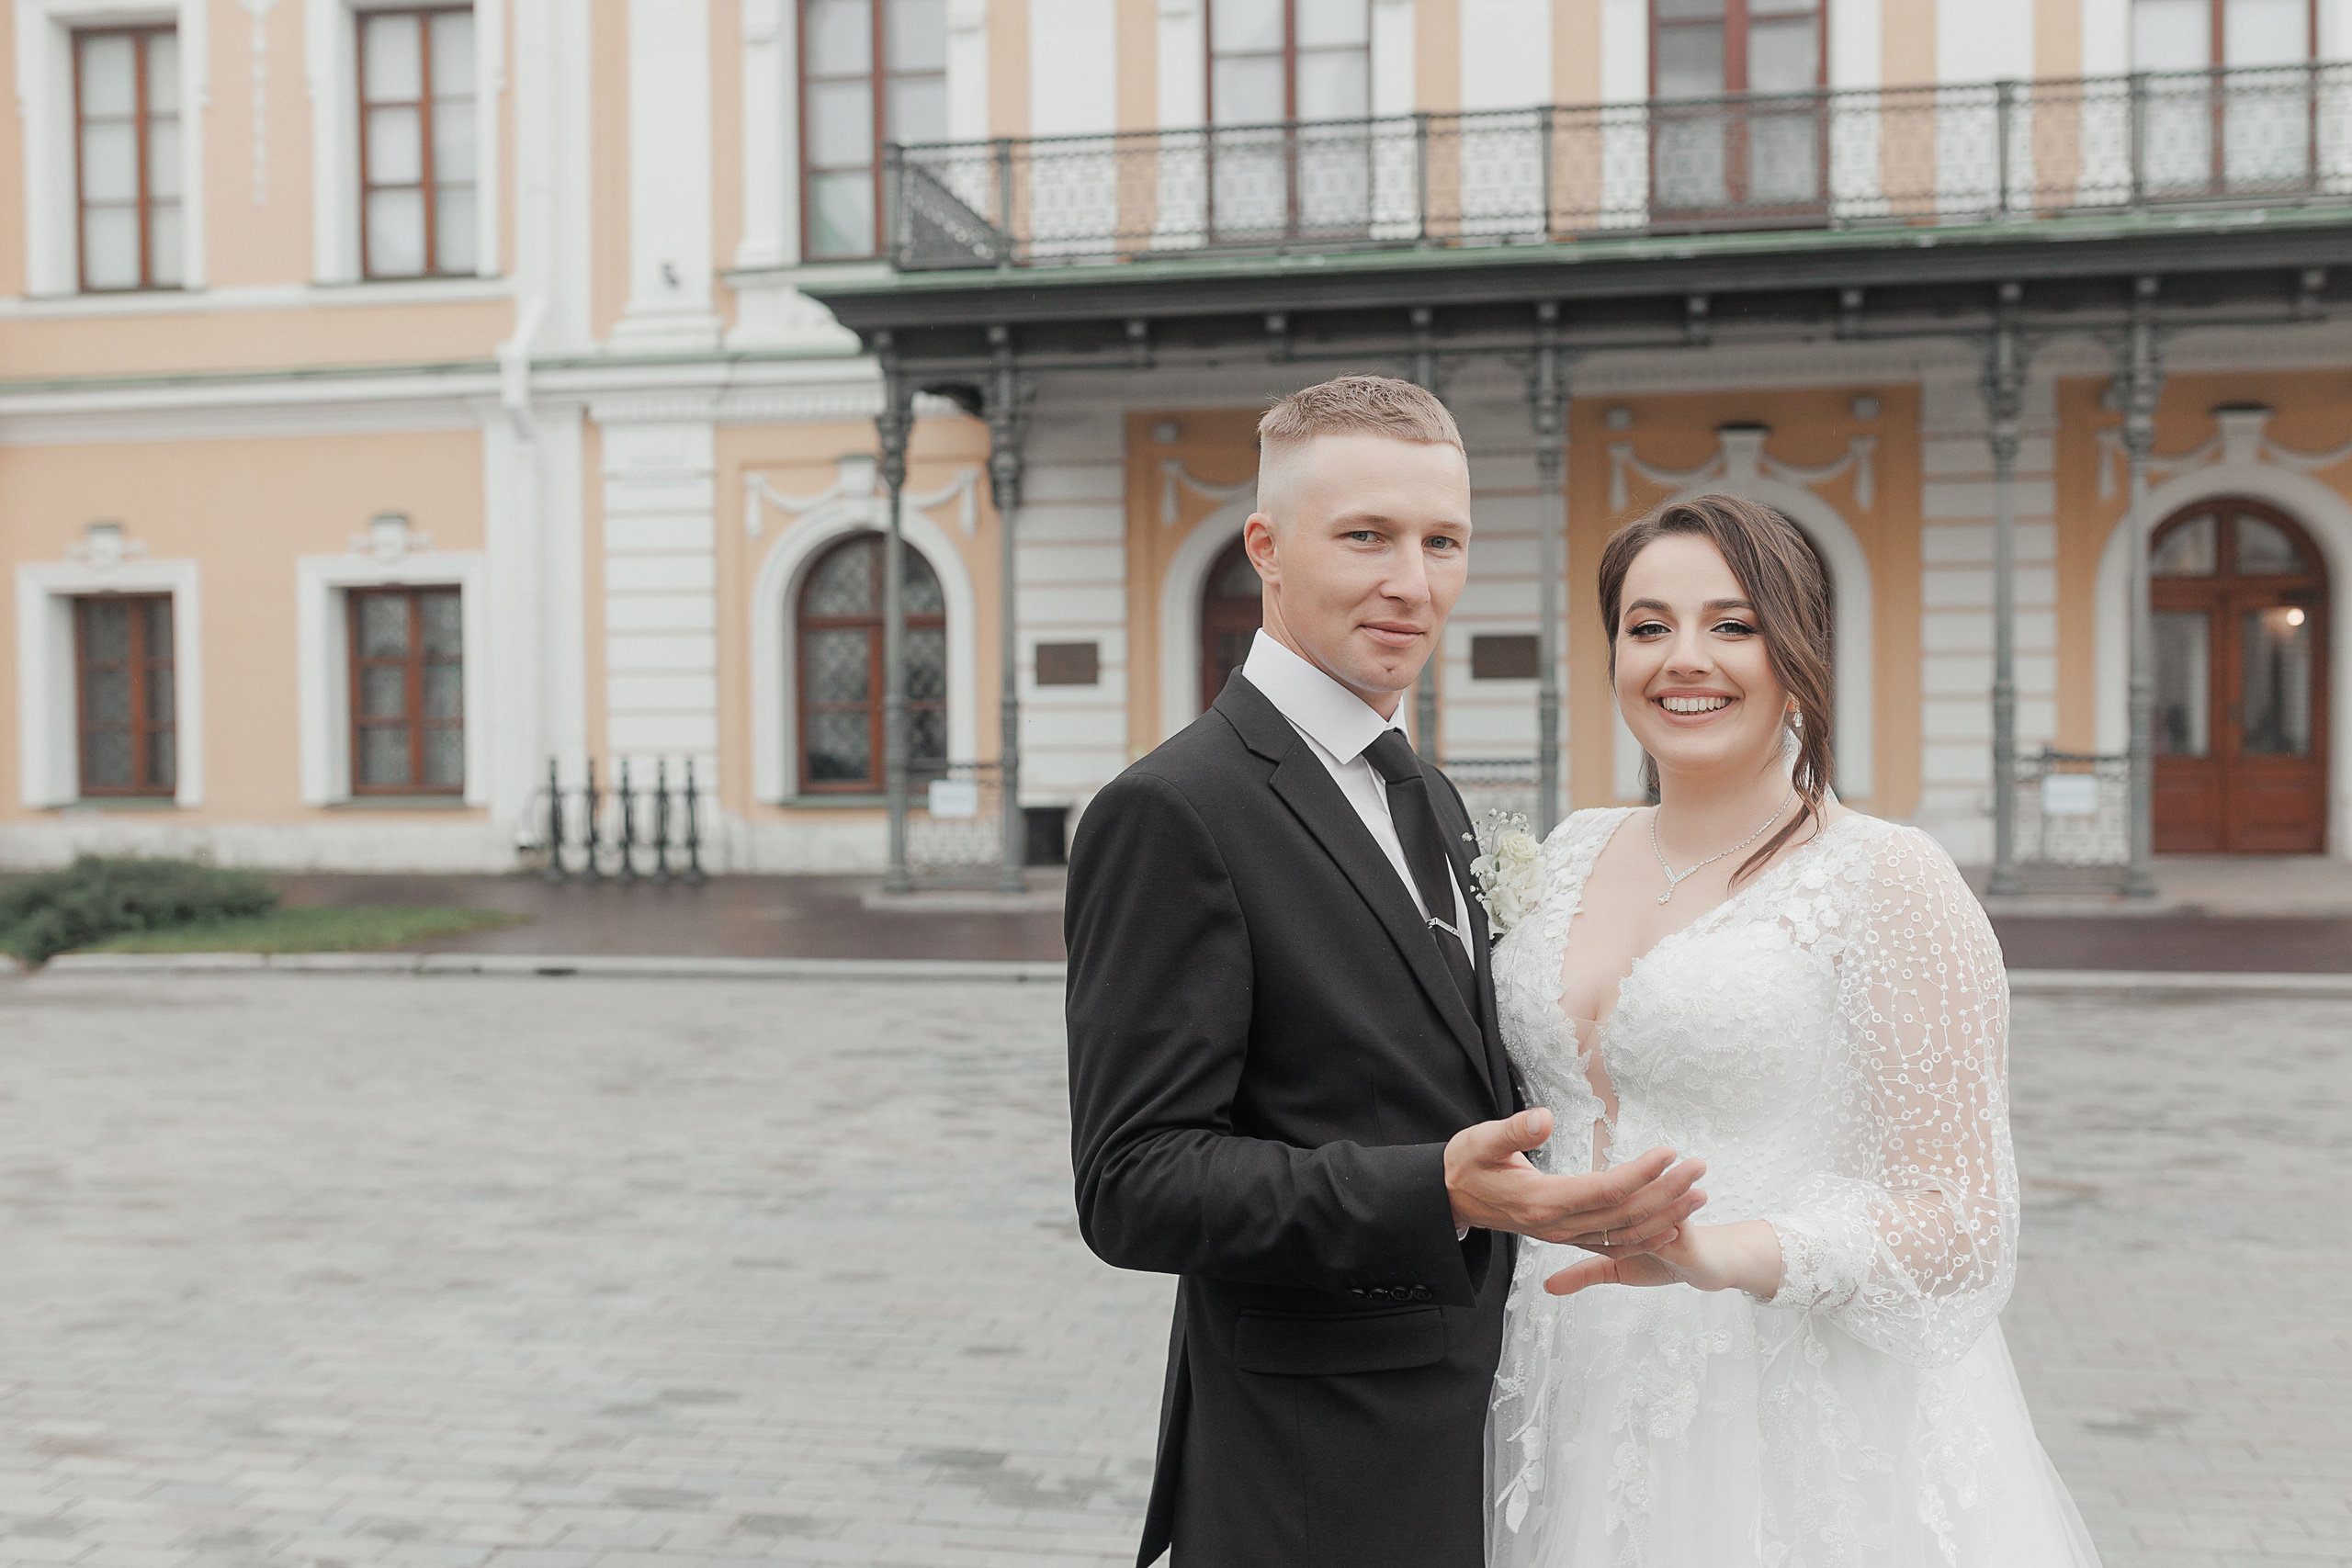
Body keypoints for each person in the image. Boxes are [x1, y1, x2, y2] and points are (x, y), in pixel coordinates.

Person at [1065, 376, 1710, 1568]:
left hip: (1482, 1426)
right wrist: (1437, 1191)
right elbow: (1133, 1182)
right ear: (1266, 546)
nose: (1413, 582)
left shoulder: (1428, 792)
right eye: (1366, 535)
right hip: (1313, 1469)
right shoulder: (1173, 810)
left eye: (1442, 541)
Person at [1485, 493, 2103, 1567]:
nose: (1684, 658)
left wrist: (1725, 1252)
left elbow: (1965, 1224)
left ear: (1799, 651)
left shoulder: (1885, 876)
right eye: (1647, 626)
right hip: (1554, 1372)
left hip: (1777, 1397)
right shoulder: (1572, 848)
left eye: (1732, 625)